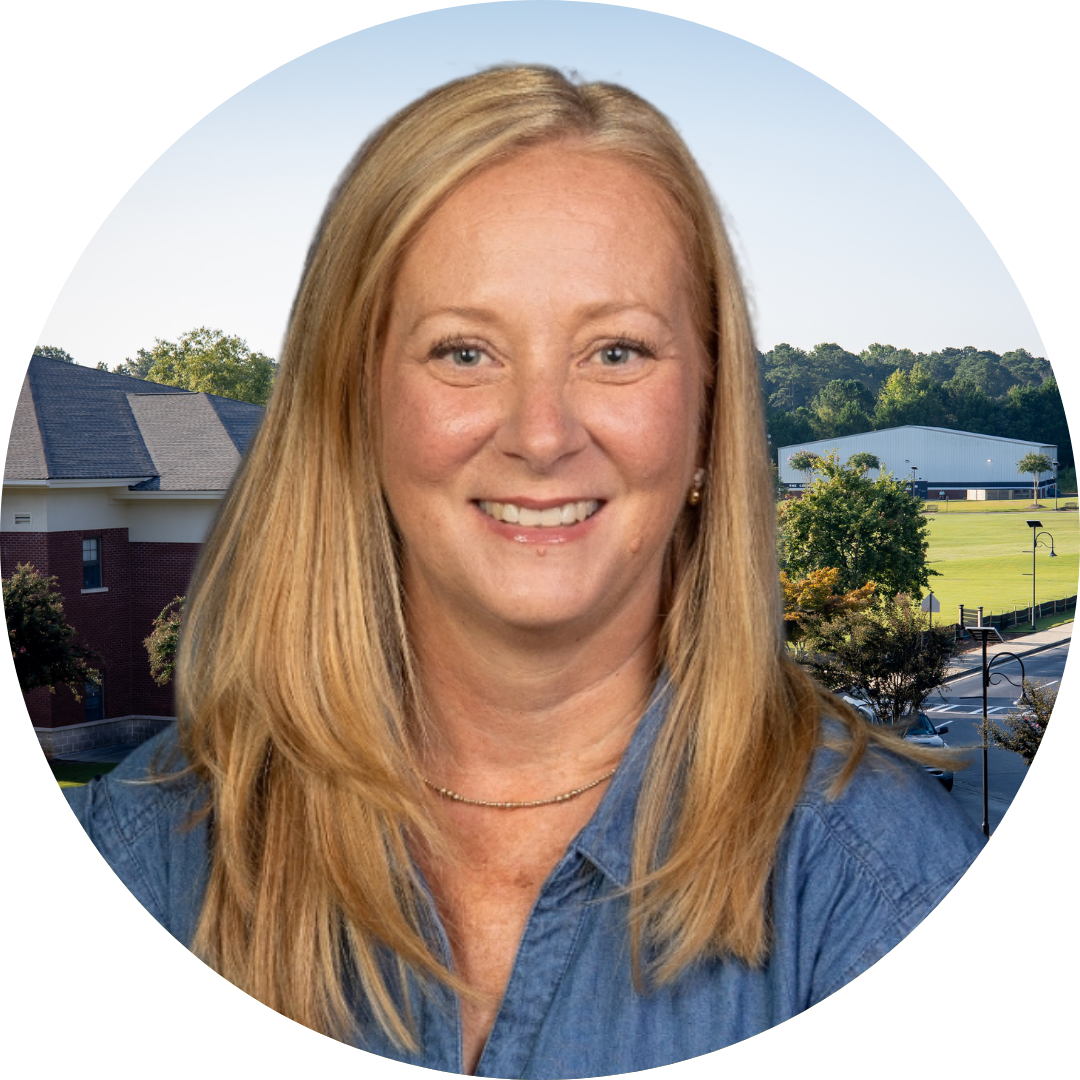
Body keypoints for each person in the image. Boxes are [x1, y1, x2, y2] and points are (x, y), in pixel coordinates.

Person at [63, 65, 984, 1075]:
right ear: (356, 403)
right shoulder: (152, 845)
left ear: (709, 413)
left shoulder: (875, 881)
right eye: (464, 351)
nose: (542, 436)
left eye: (617, 351)